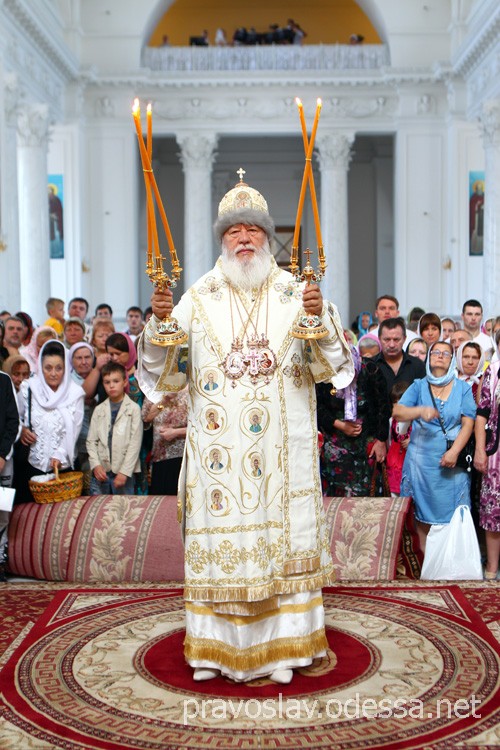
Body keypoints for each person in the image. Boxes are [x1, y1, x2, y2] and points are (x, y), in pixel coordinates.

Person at [137, 171, 354, 684]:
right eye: (234, 231)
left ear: (266, 236)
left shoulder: (296, 293)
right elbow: (166, 372)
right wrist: (159, 324)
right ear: (222, 239)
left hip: (280, 456)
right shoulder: (199, 295)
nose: (244, 239)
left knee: (283, 547)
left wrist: (321, 319)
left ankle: (285, 652)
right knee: (223, 548)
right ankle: (216, 651)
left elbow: (332, 367)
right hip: (222, 461)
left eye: (252, 229)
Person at [393, 341, 476, 554]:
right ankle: (424, 563)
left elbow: (468, 423)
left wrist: (454, 452)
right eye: (436, 352)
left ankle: (447, 563)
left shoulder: (463, 388)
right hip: (420, 464)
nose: (440, 356)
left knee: (453, 516)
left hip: (451, 463)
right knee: (420, 516)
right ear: (429, 357)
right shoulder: (419, 386)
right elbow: (398, 411)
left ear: (452, 360)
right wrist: (419, 411)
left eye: (446, 353)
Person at [317, 345, 391, 497]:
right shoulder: (324, 372)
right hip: (336, 444)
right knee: (337, 495)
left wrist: (381, 440)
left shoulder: (370, 369)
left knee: (369, 494)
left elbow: (383, 407)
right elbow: (317, 407)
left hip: (367, 443)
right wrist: (340, 425)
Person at [17, 340, 84, 498]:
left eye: (59, 368)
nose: (53, 373)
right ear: (40, 367)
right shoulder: (29, 388)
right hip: (31, 466)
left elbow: (74, 430)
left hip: (63, 469)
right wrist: (22, 430)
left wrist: (60, 454)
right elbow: (14, 418)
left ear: (66, 369)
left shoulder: (75, 393)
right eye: (48, 368)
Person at [87, 362, 143, 495]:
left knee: (124, 506)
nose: (111, 385)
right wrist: (96, 465)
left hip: (124, 472)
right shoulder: (99, 410)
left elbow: (135, 444)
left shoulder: (134, 409)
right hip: (102, 472)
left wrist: (124, 472)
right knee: (101, 506)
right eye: (107, 382)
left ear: (124, 382)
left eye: (116, 381)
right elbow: (91, 441)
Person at [474, 330, 500, 579]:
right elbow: (482, 413)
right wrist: (480, 449)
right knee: (493, 509)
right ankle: (492, 568)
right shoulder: (493, 371)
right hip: (496, 453)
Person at [142, 385, 188, 495]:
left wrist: (176, 432)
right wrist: (164, 400)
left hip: (185, 456)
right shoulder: (154, 390)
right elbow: (147, 417)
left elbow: (202, 427)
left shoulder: (192, 389)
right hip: (160, 456)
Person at [373, 318, 426, 397]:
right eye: (387, 340)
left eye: (396, 340)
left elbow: (423, 397)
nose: (391, 345)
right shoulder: (370, 366)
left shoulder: (418, 366)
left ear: (404, 339)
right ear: (379, 339)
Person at [0, 370, 20, 580]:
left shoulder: (4, 380)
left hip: (3, 461)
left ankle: (0, 559)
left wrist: (2, 455)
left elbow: (13, 422)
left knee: (2, 513)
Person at [386, 382, 412, 496]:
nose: (398, 405)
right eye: (395, 402)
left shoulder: (415, 421)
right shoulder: (391, 421)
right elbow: (389, 440)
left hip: (410, 460)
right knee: (394, 493)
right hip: (395, 461)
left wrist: (412, 441)